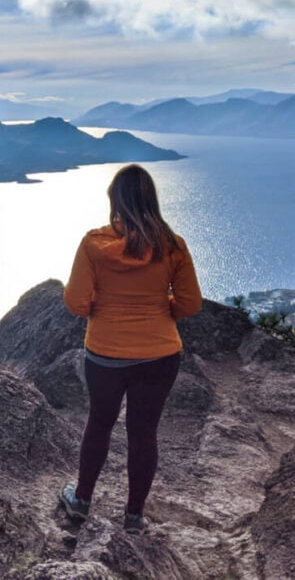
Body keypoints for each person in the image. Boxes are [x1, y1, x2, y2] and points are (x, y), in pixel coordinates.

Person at [59, 163, 202, 534]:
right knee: (144, 433)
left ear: (115, 200)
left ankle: (81, 500)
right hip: (160, 355)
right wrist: (159, 310)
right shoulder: (173, 246)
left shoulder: (94, 244)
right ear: (151, 199)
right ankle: (134, 516)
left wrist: (101, 308)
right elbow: (189, 305)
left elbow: (75, 302)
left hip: (105, 353)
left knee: (100, 423)